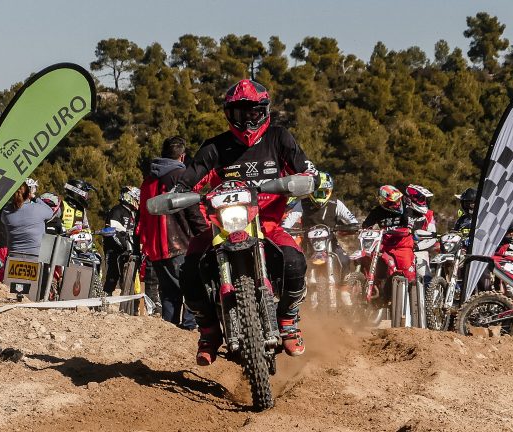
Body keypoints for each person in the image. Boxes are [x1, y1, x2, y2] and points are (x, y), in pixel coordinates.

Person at [177, 79, 317, 365]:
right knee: (189, 268)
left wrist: (307, 180)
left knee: (295, 261)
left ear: (264, 111)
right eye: (240, 113)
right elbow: (189, 179)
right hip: (222, 226)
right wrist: (180, 193)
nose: (247, 119)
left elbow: (306, 170)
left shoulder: (279, 138)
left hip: (267, 222)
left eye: (253, 112)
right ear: (229, 115)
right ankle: (208, 332)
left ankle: (288, 320)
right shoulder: (215, 147)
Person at [139, 136, 206, 330]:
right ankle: (188, 327)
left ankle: (170, 331)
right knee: (193, 286)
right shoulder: (181, 176)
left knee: (169, 293)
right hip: (179, 243)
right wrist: (204, 234)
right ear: (182, 156)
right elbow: (192, 210)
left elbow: (141, 214)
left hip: (155, 246)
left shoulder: (148, 180)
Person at [282, 172, 359, 305]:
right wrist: (286, 229)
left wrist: (351, 226)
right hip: (308, 246)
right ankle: (299, 295)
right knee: (295, 264)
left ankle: (344, 289)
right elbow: (288, 221)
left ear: (329, 192)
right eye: (317, 193)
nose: (319, 196)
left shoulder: (336, 204)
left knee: (345, 258)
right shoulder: (302, 203)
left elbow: (351, 219)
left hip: (331, 244)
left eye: (323, 193)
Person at [361, 185, 416, 291]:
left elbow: (409, 225)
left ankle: (409, 297)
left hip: (402, 245)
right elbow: (366, 225)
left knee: (408, 274)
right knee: (367, 256)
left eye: (398, 200)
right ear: (384, 202)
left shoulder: (406, 208)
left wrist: (406, 229)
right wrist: (364, 230)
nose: (396, 204)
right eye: (392, 202)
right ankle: (372, 285)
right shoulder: (377, 211)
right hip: (384, 245)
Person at [103, 186, 140, 295]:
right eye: (136, 197)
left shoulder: (132, 213)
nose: (138, 200)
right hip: (114, 249)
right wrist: (124, 245)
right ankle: (105, 299)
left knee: (129, 276)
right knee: (112, 274)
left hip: (128, 250)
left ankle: (129, 302)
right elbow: (112, 230)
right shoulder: (117, 210)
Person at [1, 181, 54, 257]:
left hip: (13, 255)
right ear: (28, 194)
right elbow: (50, 212)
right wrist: (35, 198)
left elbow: (3, 220)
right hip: (36, 256)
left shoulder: (6, 211)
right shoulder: (37, 208)